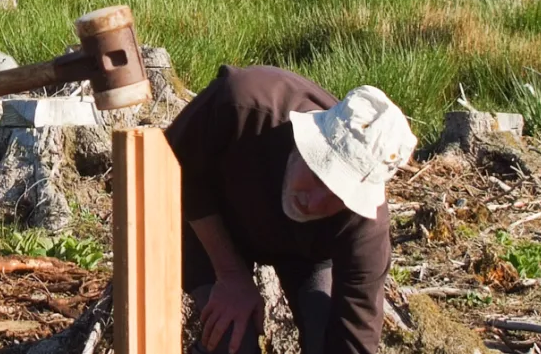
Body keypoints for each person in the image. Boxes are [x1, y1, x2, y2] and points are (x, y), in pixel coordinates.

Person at [164, 65, 418, 354]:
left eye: (338, 195)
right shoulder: (244, 105)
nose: (314, 202)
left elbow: (356, 334)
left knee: (323, 333)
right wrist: (231, 273)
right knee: (232, 341)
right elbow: (168, 164)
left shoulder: (364, 228)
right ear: (307, 142)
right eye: (318, 174)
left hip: (305, 252)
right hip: (211, 220)